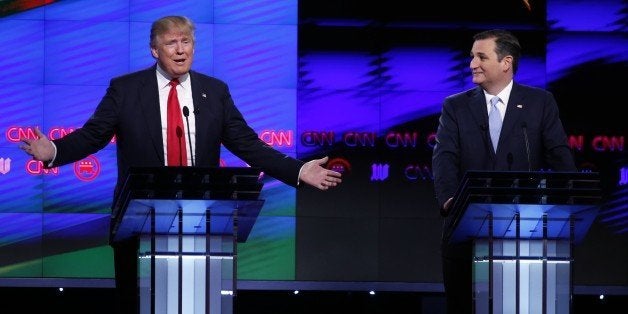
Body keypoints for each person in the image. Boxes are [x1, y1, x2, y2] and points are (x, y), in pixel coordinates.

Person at [19, 15, 342, 314]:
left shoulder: (213, 93)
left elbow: (248, 145)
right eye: (171, 43)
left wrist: (298, 169)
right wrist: (55, 152)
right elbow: (93, 136)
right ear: (154, 50)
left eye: (186, 42)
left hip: (200, 225)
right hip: (140, 224)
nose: (180, 50)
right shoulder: (126, 90)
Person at [431, 29, 576, 314]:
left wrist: (568, 200)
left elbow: (560, 157)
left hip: (525, 234)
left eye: (481, 56)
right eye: (472, 56)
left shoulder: (539, 103)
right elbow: (444, 158)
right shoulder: (455, 106)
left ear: (506, 62)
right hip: (467, 233)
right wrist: (450, 200)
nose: (472, 63)